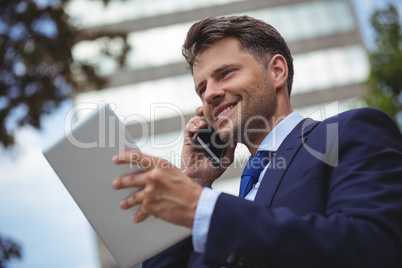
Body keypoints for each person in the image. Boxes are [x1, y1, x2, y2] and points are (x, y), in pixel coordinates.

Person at [111, 16, 402, 268]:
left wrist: (203, 208)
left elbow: (373, 247)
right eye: (201, 88)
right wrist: (195, 183)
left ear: (277, 71)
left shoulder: (347, 133)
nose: (209, 94)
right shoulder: (210, 208)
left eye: (225, 73)